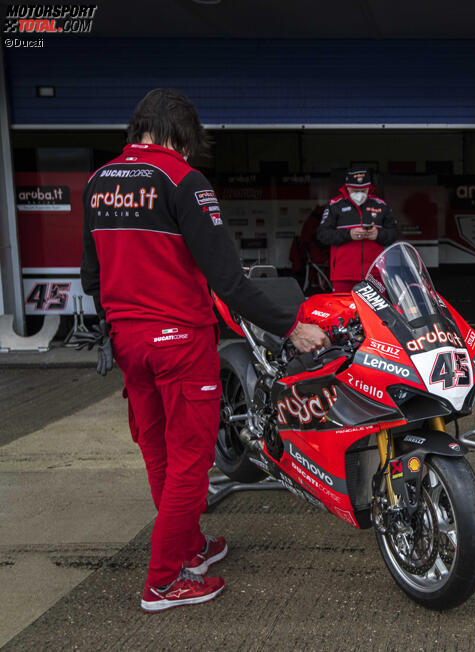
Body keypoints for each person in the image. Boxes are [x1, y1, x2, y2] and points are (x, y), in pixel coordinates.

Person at [80, 89, 329, 613]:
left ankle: (189, 546)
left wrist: (119, 323)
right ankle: (165, 581)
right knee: (190, 461)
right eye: (190, 145)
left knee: (159, 451)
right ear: (179, 135)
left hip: (129, 343)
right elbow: (230, 282)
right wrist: (293, 328)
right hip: (179, 341)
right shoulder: (183, 181)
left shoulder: (97, 183)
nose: (190, 155)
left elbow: (90, 277)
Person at [315, 169, 399, 292]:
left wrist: (378, 234)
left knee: (375, 310)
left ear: (369, 188)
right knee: (344, 309)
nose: (359, 194)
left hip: (374, 273)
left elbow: (394, 233)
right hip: (343, 274)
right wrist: (348, 234)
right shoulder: (335, 205)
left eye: (363, 190)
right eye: (355, 190)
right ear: (347, 187)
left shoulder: (380, 205)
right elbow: (322, 235)